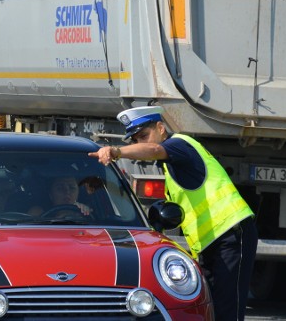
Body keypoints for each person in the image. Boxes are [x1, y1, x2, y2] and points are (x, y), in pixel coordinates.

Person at [89, 106, 257, 321]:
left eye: (144, 136)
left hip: (231, 233)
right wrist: (106, 188)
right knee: (211, 310)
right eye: (136, 139)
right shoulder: (172, 164)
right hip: (213, 241)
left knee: (227, 312)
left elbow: (154, 150)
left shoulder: (179, 145)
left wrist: (117, 151)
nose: (141, 143)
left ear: (160, 128)